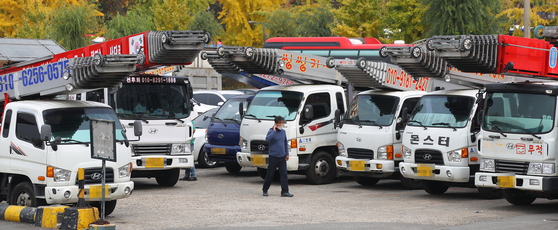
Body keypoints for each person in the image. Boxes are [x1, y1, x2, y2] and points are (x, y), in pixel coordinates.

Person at [262, 116, 293, 197]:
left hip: (282, 156)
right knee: (270, 174)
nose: (282, 125)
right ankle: (265, 189)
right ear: (276, 123)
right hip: (273, 156)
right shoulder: (271, 131)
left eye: (282, 123)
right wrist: (274, 131)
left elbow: (285, 143)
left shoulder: (283, 132)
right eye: (280, 123)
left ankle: (285, 191)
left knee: (284, 174)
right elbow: (267, 139)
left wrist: (287, 154)